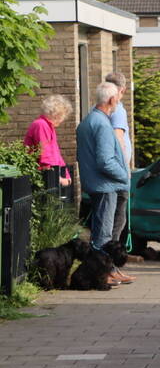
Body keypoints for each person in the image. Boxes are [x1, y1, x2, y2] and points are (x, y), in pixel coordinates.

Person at [76, 82, 130, 288]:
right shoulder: (102, 124)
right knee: (104, 233)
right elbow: (105, 161)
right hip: (105, 185)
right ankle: (103, 274)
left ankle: (105, 272)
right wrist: (124, 176)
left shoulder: (88, 121)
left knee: (100, 230)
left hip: (96, 183)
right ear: (112, 99)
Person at [105, 73, 132, 246]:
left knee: (110, 212)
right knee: (118, 213)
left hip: (111, 168)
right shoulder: (118, 110)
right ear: (122, 90)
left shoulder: (104, 110)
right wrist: (123, 170)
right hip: (118, 169)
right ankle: (111, 249)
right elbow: (118, 138)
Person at [23, 94, 73, 188]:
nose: (62, 120)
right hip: (42, 178)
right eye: (63, 116)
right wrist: (57, 178)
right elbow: (45, 156)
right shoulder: (41, 125)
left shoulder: (48, 126)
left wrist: (66, 175)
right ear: (57, 114)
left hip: (49, 176)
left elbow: (56, 155)